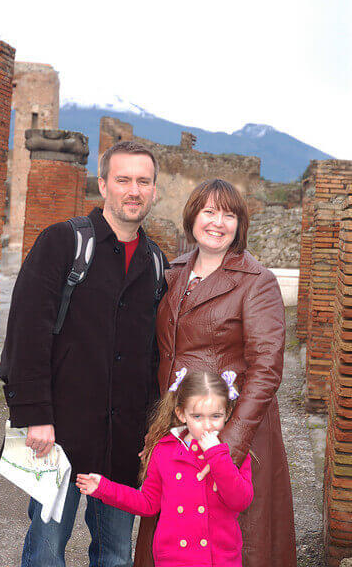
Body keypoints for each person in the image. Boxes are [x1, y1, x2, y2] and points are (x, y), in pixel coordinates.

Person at [0, 140, 168, 567]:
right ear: (103, 184)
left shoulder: (156, 263)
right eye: (124, 179)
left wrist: (152, 434)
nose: (134, 190)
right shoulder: (63, 242)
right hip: (60, 436)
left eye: (143, 182)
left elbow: (153, 358)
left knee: (114, 554)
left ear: (154, 190)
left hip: (124, 441)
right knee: (47, 549)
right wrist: (36, 415)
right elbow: (27, 332)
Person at [134, 178, 297, 567]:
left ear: (240, 224)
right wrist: (156, 432)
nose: (217, 222)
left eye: (229, 214)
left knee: (230, 542)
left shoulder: (257, 282)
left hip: (233, 430)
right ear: (192, 217)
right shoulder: (172, 273)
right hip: (178, 426)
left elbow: (267, 369)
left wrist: (230, 444)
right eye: (209, 211)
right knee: (173, 542)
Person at [77, 369, 254, 567]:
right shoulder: (164, 451)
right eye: (197, 416)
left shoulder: (231, 451)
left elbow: (241, 500)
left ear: (227, 413)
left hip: (218, 558)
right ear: (181, 413)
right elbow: (148, 503)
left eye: (215, 416)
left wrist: (217, 456)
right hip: (175, 558)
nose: (207, 425)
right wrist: (105, 488)